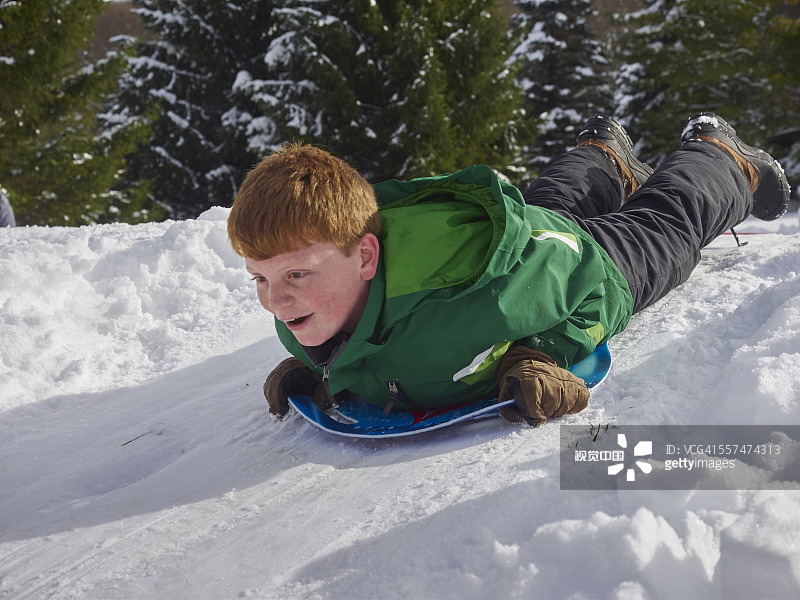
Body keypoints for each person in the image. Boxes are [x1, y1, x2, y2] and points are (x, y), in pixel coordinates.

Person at [227, 113, 790, 426]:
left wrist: (540, 350)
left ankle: (719, 156)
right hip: (512, 242)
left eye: (297, 276)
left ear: (365, 257)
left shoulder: (468, 303)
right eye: (260, 279)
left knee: (665, 225)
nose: (276, 302)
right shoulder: (310, 308)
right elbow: (367, 336)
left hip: (577, 263)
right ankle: (604, 155)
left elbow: (583, 281)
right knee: (547, 199)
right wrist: (328, 370)